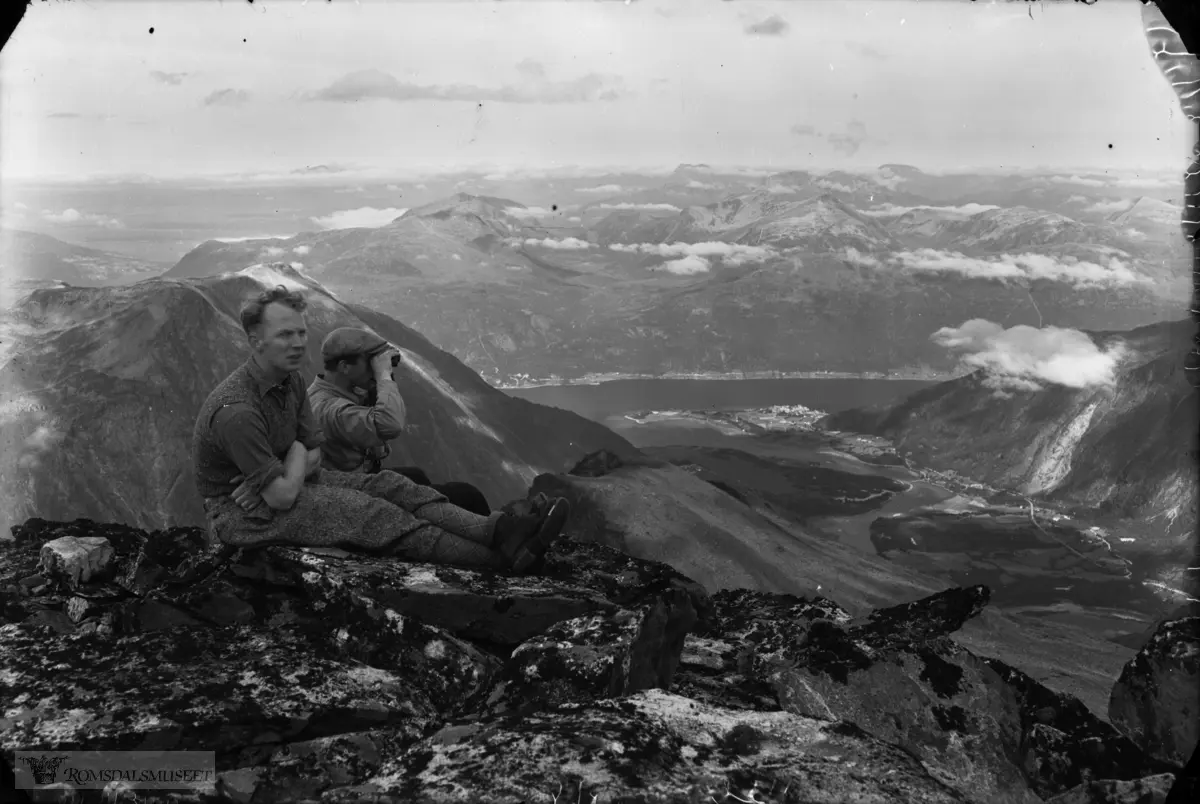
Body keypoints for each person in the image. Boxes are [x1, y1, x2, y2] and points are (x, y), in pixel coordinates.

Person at [191, 284, 568, 574]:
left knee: (394, 486)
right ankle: (501, 561)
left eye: (301, 333)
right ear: (256, 342)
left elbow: (314, 457)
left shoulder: (289, 382)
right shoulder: (236, 410)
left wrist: (286, 467)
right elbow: (283, 497)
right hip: (240, 517)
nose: (298, 344)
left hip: (282, 488)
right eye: (285, 335)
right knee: (373, 515)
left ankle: (501, 531)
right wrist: (291, 459)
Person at [306, 327, 491, 516]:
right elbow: (390, 425)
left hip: (353, 481)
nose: (376, 367)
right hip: (350, 495)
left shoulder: (330, 392)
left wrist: (375, 384)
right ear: (345, 367)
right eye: (370, 361)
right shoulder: (331, 409)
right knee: (468, 496)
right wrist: (383, 377)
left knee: (416, 476)